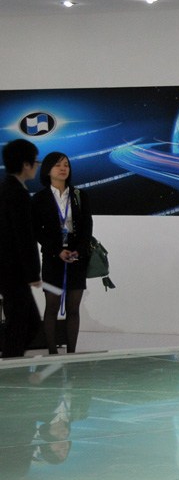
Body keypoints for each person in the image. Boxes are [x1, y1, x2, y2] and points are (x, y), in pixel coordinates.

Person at [32, 152, 93, 355]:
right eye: (58, 165)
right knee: (52, 306)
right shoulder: (39, 198)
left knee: (73, 308)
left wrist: (79, 251)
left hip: (77, 258)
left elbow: (87, 227)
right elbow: (36, 230)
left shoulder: (79, 195)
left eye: (66, 164)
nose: (63, 168)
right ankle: (52, 352)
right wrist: (57, 250)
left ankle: (71, 354)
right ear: (48, 170)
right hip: (52, 258)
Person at [0, 139, 42, 359]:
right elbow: (24, 236)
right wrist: (33, 273)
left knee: (25, 323)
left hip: (8, 269)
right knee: (22, 324)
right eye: (35, 161)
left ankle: (10, 364)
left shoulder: (5, 188)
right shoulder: (17, 193)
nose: (37, 166)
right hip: (13, 270)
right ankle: (9, 368)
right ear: (26, 164)